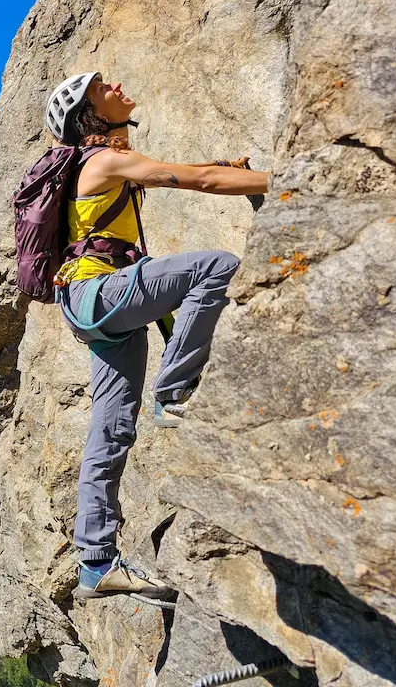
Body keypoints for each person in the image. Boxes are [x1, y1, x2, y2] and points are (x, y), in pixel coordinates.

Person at [44, 72, 269, 602]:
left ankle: (96, 564)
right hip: (101, 294)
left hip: (86, 308)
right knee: (214, 267)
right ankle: (175, 392)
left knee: (111, 428)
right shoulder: (104, 162)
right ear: (90, 115)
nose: (116, 84)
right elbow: (200, 183)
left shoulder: (100, 166)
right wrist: (288, 181)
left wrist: (228, 167)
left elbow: (195, 172)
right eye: (101, 87)